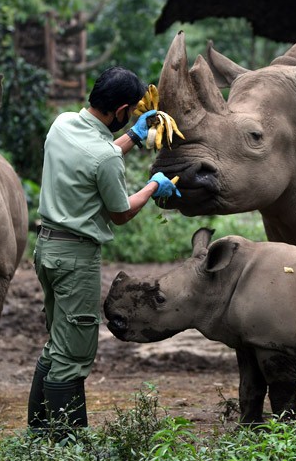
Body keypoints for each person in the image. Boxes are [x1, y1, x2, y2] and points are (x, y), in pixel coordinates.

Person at [27, 66, 179, 436]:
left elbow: (94, 154)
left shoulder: (62, 125)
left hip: (47, 248)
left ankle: (39, 434)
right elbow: (121, 211)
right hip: (75, 259)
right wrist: (152, 186)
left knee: (57, 345)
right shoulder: (106, 159)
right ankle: (67, 443)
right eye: (131, 115)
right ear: (123, 108)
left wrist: (131, 136)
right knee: (74, 353)